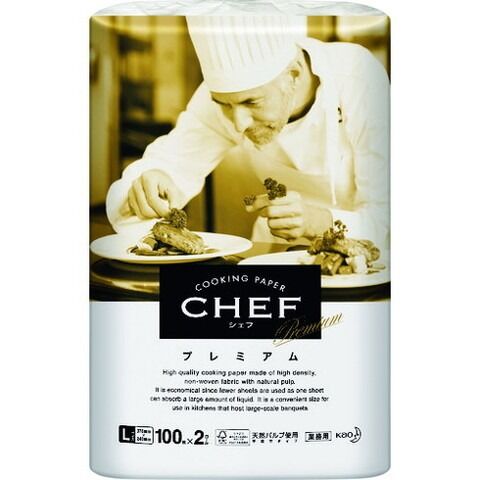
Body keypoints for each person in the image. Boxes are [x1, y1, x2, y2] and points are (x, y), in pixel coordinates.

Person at [106, 15, 389, 246]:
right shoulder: (222, 97)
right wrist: (151, 183)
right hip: (272, 250)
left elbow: (387, 217)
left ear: (293, 74)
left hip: (361, 257)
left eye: (252, 102)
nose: (239, 123)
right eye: (225, 105)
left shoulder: (357, 78)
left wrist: (320, 221)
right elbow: (169, 163)